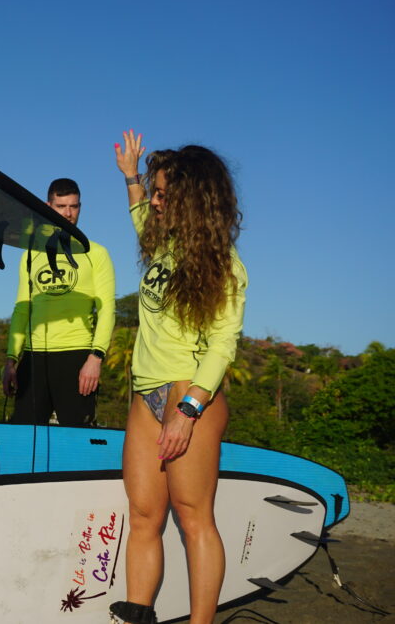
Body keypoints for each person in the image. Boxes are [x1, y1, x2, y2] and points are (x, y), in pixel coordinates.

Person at [109, 130, 247, 624]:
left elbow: (222, 345)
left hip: (189, 397)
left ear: (191, 198)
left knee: (193, 520)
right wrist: (130, 177)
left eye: (165, 192)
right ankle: (136, 613)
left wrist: (189, 411)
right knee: (144, 517)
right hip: (145, 394)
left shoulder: (224, 266)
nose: (157, 200)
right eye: (156, 191)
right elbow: (139, 215)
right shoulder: (161, 246)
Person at [2, 178, 115, 426]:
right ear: (47, 206)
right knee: (23, 436)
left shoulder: (96, 253)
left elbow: (106, 310)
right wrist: (11, 359)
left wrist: (95, 358)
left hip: (76, 357)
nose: (68, 213)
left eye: (73, 206)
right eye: (60, 206)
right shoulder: (31, 254)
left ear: (80, 207)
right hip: (33, 358)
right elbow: (22, 310)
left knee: (77, 439)